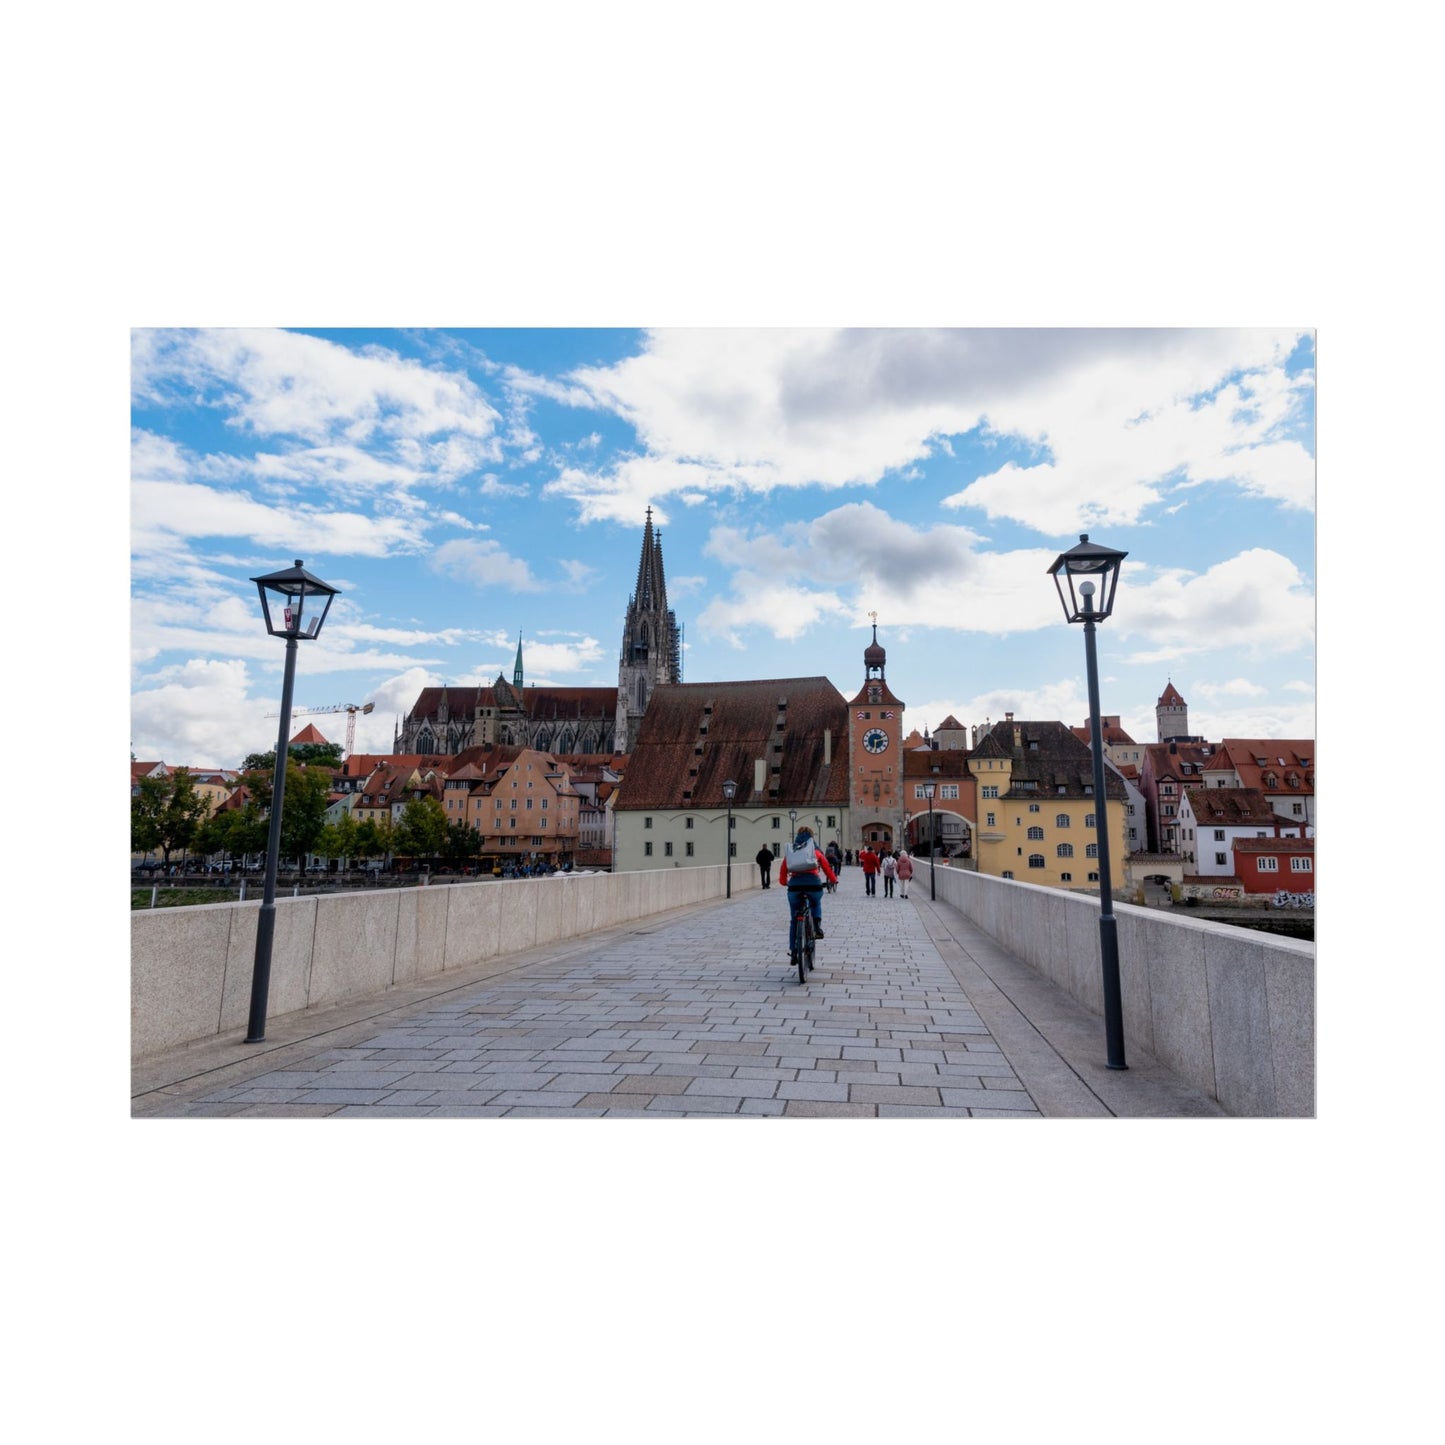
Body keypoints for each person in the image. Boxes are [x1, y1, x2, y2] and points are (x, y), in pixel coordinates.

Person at [778, 825, 838, 957]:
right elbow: (827, 867)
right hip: (813, 885)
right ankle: (816, 927)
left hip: (794, 887)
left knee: (794, 919)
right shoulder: (814, 851)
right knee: (815, 903)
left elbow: (783, 872)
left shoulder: (792, 852)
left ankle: (794, 950)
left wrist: (785, 882)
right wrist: (833, 879)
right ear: (812, 837)